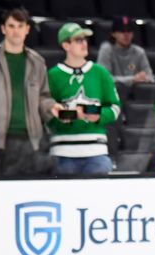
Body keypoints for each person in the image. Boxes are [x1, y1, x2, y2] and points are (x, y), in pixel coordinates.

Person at [0, 7, 61, 175]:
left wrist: (52, 108)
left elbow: (43, 97)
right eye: (11, 26)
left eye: (20, 26)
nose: (16, 31)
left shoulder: (37, 62)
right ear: (3, 29)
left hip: (30, 141)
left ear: (27, 29)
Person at [48, 22, 122, 175]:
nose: (84, 44)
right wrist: (66, 116)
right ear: (66, 45)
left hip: (96, 153)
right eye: (78, 40)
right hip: (63, 154)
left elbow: (115, 108)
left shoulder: (100, 73)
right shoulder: (53, 75)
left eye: (85, 39)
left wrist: (98, 115)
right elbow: (46, 112)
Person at [96, 15, 154, 87]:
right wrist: (132, 79)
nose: (126, 35)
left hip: (136, 95)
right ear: (113, 34)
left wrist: (145, 78)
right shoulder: (106, 50)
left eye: (129, 31)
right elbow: (103, 79)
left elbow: (150, 78)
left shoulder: (139, 51)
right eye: (122, 31)